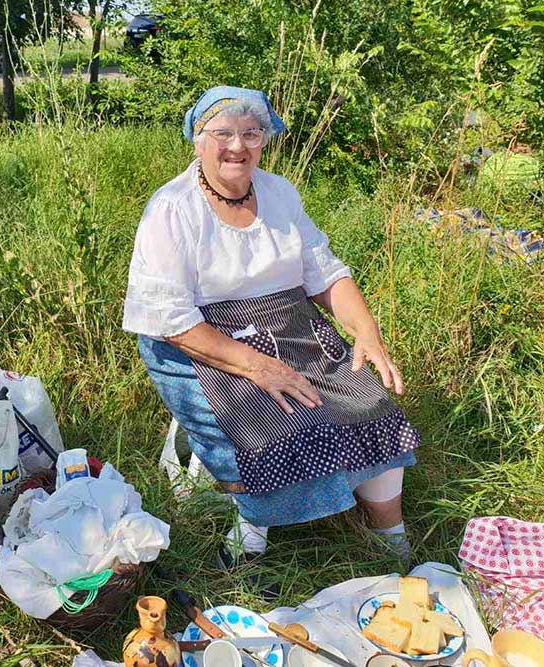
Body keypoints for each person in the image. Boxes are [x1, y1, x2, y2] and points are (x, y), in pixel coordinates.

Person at [122, 86, 420, 566]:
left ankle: (392, 539)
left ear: (265, 139)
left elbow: (324, 272)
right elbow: (168, 319)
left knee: (372, 402)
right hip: (205, 343)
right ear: (197, 140)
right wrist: (258, 366)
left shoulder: (279, 192)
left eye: (251, 133)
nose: (237, 147)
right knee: (277, 423)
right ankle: (249, 543)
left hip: (290, 326)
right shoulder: (172, 207)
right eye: (222, 133)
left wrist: (368, 332)